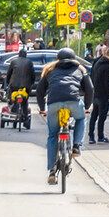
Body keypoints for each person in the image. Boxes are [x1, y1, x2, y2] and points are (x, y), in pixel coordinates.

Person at [37, 48, 88, 184]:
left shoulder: (49, 70)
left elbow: (40, 90)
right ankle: (76, 145)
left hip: (54, 104)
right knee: (81, 118)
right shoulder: (80, 69)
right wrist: (87, 107)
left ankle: (52, 171)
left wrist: (42, 109)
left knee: (53, 135)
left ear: (58, 59)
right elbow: (90, 89)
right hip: (73, 102)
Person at [86, 47, 109, 144]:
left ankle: (91, 136)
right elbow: (107, 83)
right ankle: (100, 136)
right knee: (102, 117)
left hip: (96, 93)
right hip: (103, 94)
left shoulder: (97, 62)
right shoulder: (107, 66)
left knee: (94, 116)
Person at [4, 47, 37, 130]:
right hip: (25, 86)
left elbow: (9, 74)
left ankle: (12, 106)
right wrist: (32, 83)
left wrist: (7, 83)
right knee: (25, 100)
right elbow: (33, 74)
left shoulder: (14, 61)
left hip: (14, 85)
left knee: (11, 96)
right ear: (26, 55)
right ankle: (25, 116)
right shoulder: (29, 62)